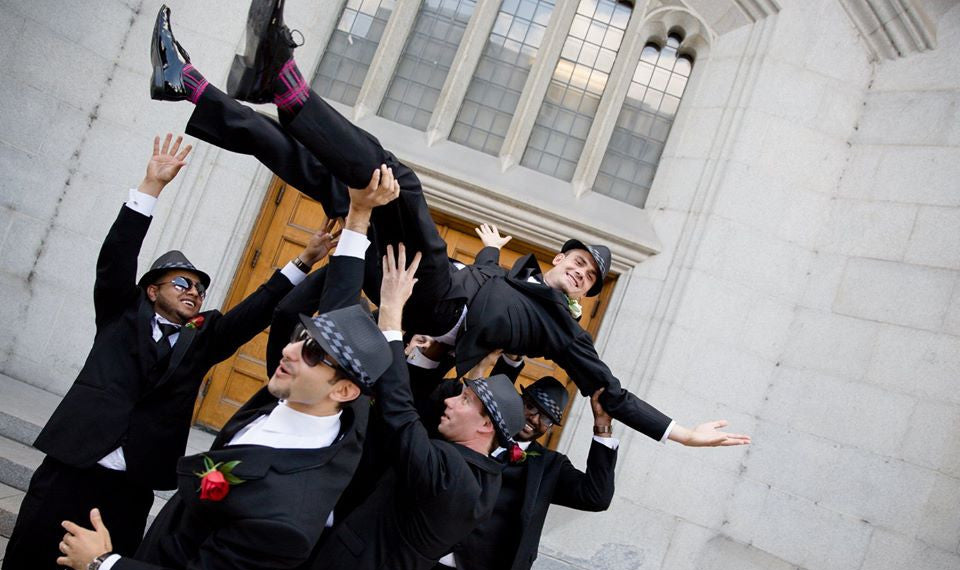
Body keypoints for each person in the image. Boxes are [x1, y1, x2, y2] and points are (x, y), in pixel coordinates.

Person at [147, 2, 750, 451]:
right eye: (574, 257)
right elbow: (490, 279)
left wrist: (678, 431)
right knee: (330, 179)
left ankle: (283, 86)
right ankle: (192, 87)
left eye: (588, 273)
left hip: (430, 304)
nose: (576, 266)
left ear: (587, 293)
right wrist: (488, 256)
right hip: (416, 283)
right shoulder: (515, 277)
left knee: (403, 186)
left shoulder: (563, 333)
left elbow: (608, 391)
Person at [0, 133, 334, 570]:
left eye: (199, 286)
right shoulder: (118, 316)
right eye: (182, 282)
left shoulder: (204, 339)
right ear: (152, 290)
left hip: (129, 491)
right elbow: (115, 260)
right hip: (69, 471)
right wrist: (150, 186)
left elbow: (257, 309)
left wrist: (304, 259)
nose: (194, 291)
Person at [56, 297, 394, 570]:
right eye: (300, 335)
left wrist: (100, 565)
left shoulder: (284, 518)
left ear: (345, 389)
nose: (289, 351)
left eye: (312, 354)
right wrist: (389, 312)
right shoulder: (309, 403)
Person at [291, 245, 525, 570]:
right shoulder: (484, 475)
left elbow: (400, 413)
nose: (451, 400)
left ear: (486, 426)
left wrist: (392, 314)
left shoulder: (451, 473)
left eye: (464, 400)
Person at [398, 379, 618, 570]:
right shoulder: (470, 431)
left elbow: (596, 497)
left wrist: (602, 426)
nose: (534, 419)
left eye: (545, 418)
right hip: (418, 568)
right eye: (530, 406)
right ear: (517, 401)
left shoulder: (550, 466)